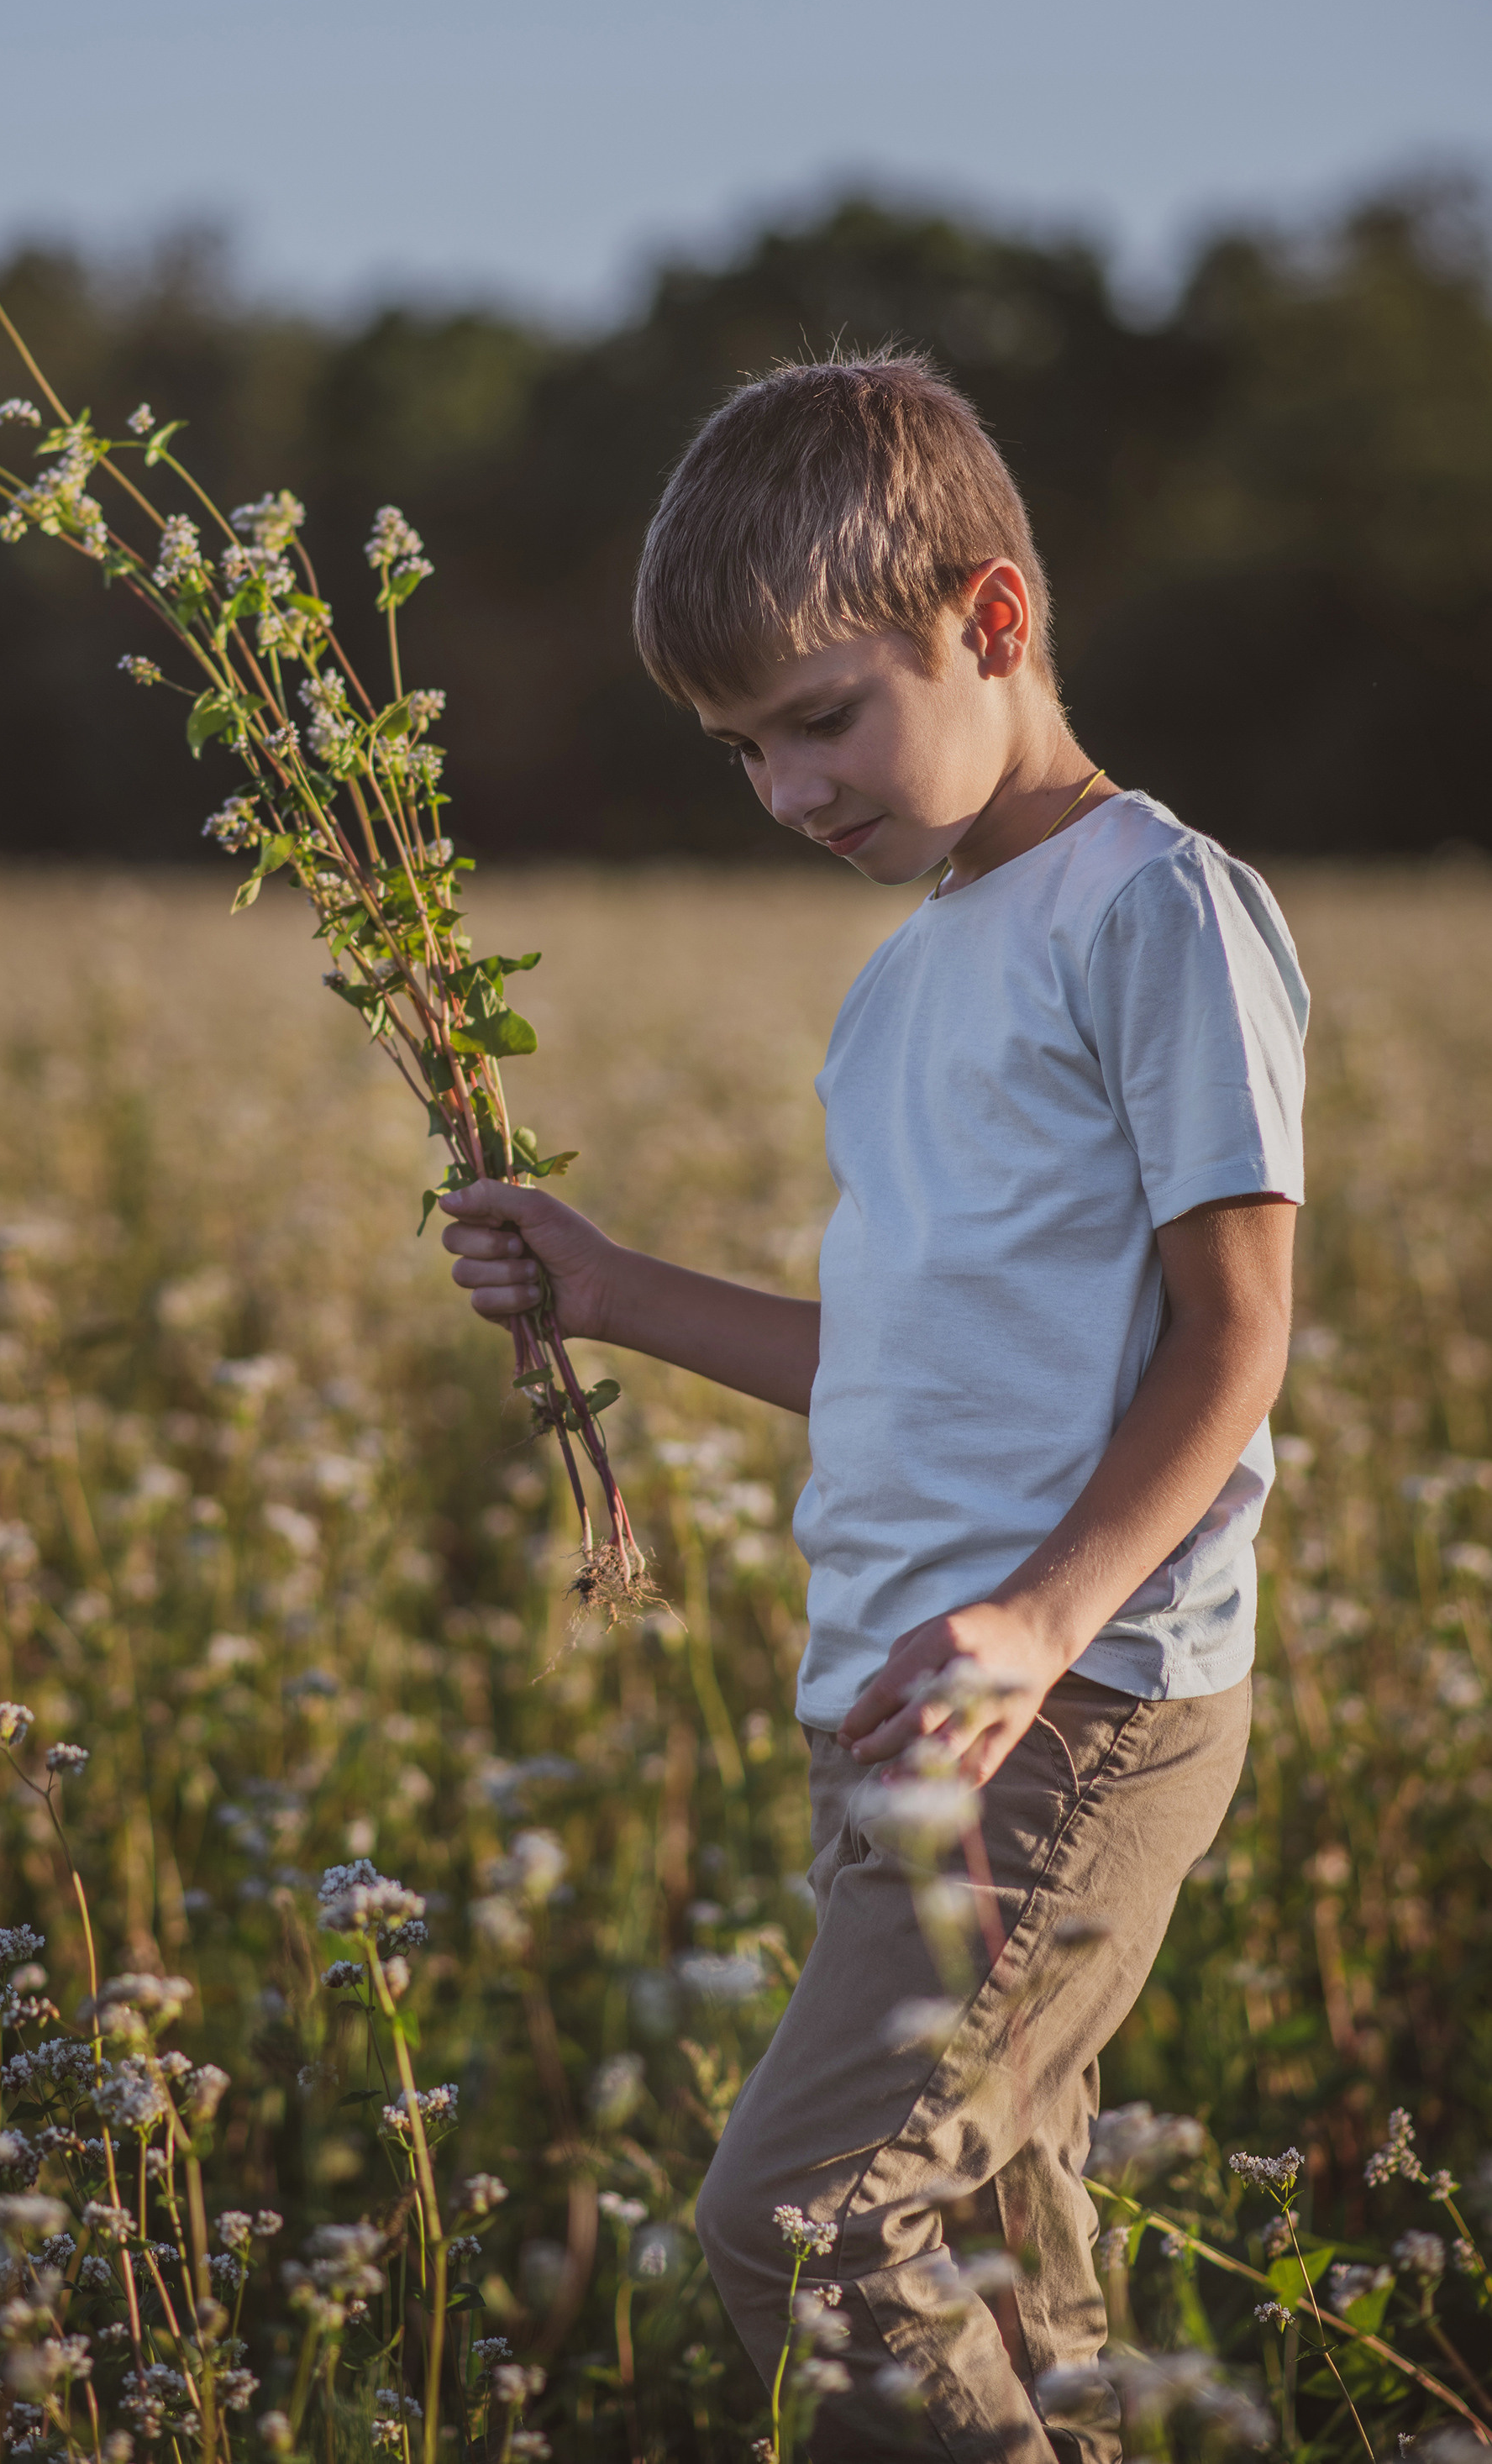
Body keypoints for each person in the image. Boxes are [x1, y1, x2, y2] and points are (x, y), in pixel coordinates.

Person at [439, 355, 1306, 2461]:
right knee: (1011, 2260)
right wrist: (617, 1288)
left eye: (819, 717)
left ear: (989, 623)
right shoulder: (915, 963)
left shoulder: (1151, 905)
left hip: (1074, 1701)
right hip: (913, 1704)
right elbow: (902, 1370)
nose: (790, 791)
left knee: (809, 2222)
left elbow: (1234, 1332)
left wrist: (1037, 1617)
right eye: (744, 749)